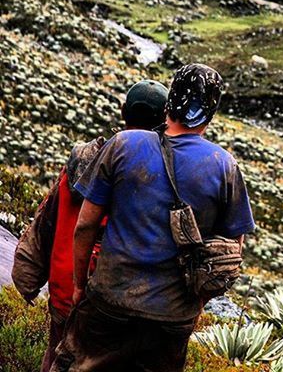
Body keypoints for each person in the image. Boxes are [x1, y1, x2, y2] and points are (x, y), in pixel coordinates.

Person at [52, 63, 255, 372]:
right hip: (172, 319)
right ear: (211, 112)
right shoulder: (224, 165)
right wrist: (194, 305)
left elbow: (85, 226)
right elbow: (231, 250)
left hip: (109, 302)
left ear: (170, 102)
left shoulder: (123, 145)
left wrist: (81, 285)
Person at [12, 79, 169, 372]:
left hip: (63, 290)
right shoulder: (157, 174)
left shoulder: (80, 159)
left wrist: (28, 275)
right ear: (165, 121)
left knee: (55, 357)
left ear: (123, 111)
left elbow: (46, 221)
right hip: (109, 303)